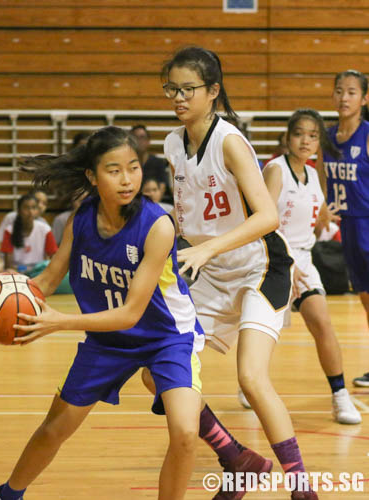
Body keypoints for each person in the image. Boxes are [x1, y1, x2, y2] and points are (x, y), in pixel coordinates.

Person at [0, 126, 205, 500]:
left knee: (185, 433)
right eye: (114, 170)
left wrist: (60, 322)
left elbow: (131, 313)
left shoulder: (158, 225)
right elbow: (51, 277)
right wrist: (9, 293)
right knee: (55, 427)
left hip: (166, 338)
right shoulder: (83, 218)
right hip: (107, 341)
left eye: (133, 167)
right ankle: (6, 495)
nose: (127, 179)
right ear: (92, 176)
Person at [158, 46, 316, 499]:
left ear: (212, 91)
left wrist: (207, 251)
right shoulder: (173, 144)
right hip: (212, 270)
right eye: (172, 88)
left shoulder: (229, 141)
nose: (178, 97)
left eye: (188, 89)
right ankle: (237, 458)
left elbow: (266, 217)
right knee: (160, 372)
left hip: (260, 266)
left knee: (250, 376)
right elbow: (188, 219)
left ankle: (302, 488)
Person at [260, 109, 360, 424]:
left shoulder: (316, 174)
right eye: (300, 133)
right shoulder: (275, 170)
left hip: (303, 258)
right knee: (262, 332)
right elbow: (263, 223)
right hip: (271, 260)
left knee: (321, 322)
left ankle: (340, 396)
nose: (306, 140)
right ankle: (248, 384)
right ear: (288, 137)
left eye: (314, 135)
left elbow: (313, 227)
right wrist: (285, 262)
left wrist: (323, 221)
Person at [317, 70, 369, 387]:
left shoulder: (367, 134)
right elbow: (323, 179)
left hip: (368, 221)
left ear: (364, 99)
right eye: (339, 91)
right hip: (348, 226)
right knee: (365, 299)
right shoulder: (328, 137)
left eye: (351, 92)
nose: (344, 97)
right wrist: (322, 206)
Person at [0, 193, 58, 272]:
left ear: (37, 210)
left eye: (33, 208)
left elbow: (54, 257)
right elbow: (8, 265)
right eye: (26, 208)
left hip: (38, 272)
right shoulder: (10, 230)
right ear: (19, 211)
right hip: (17, 272)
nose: (30, 212)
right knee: (8, 271)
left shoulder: (45, 229)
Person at [131, 124, 171, 201]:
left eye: (142, 137)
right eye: (135, 138)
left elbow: (162, 186)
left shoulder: (158, 162)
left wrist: (154, 205)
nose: (139, 141)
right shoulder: (128, 164)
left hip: (154, 202)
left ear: (148, 141)